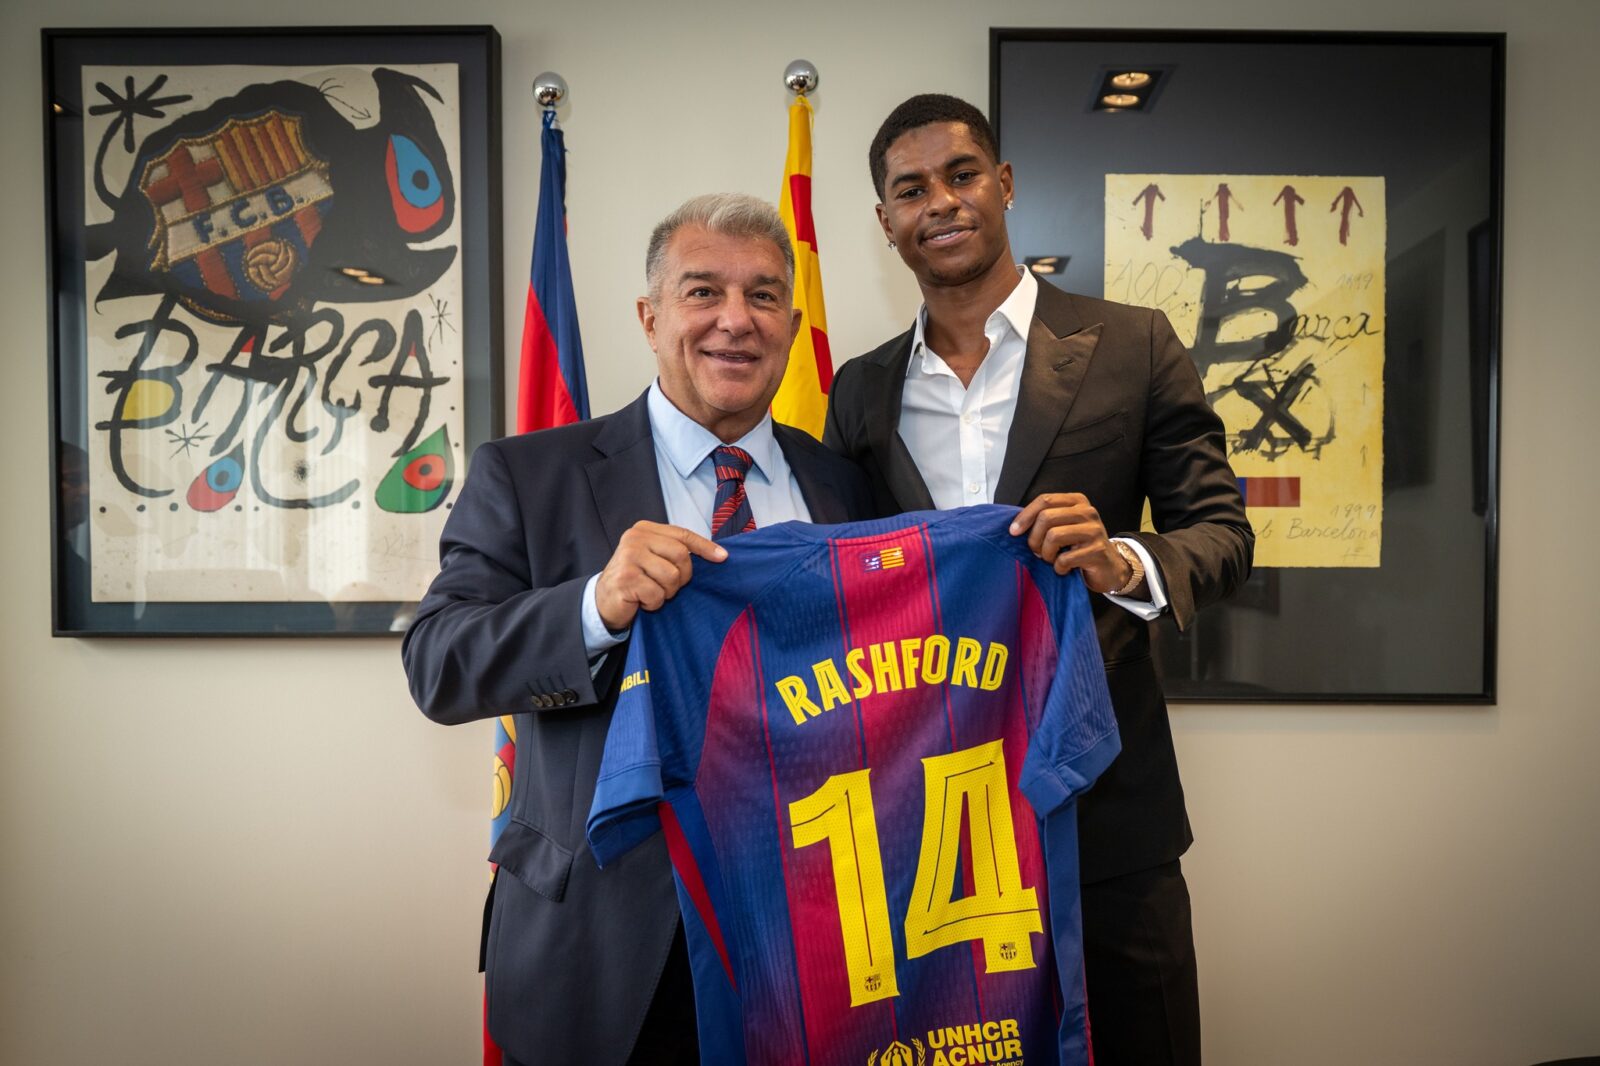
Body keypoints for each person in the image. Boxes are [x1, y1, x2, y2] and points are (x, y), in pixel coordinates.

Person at [824, 94, 1254, 1065]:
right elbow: (843, 584)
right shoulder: (860, 390)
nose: (941, 202)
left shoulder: (1136, 343)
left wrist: (1122, 560)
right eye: (910, 190)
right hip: (928, 826)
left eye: (961, 174)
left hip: (1109, 809)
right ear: (886, 221)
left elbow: (1223, 535)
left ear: (1005, 183)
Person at [403, 192, 875, 1066]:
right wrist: (595, 605)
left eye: (764, 296)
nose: (736, 319)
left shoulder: (846, 488)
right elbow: (439, 663)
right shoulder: (529, 474)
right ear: (650, 318)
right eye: (703, 292)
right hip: (606, 952)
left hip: (812, 944)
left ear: (792, 324)